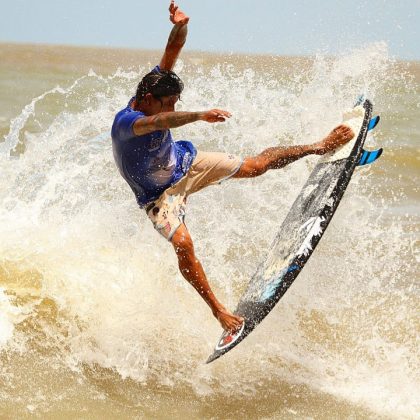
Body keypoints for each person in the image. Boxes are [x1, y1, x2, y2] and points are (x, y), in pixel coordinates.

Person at [111, 1, 354, 333]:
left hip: (185, 162)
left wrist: (181, 25)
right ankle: (219, 313)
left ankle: (318, 146)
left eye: (174, 102)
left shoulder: (156, 84)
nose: (170, 108)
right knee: (183, 244)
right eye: (167, 103)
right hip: (157, 196)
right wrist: (197, 114)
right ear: (148, 99)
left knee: (255, 166)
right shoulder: (130, 123)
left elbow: (173, 47)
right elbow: (162, 120)